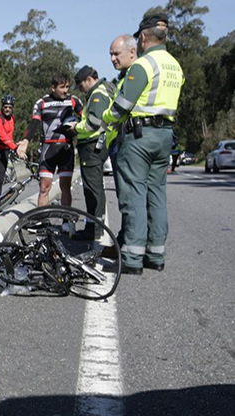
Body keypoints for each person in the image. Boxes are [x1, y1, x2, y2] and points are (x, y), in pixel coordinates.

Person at [103, 13, 183, 274]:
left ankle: (133, 258)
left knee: (135, 195)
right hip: (165, 135)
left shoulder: (144, 65)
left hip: (140, 136)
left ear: (145, 37)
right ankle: (156, 256)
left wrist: (106, 119)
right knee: (157, 194)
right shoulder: (175, 66)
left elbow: (122, 107)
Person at [17, 74, 84, 207]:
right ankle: (42, 221)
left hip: (66, 149)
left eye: (67, 87)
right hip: (48, 150)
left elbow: (86, 119)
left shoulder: (74, 100)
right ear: (53, 88)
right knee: (44, 187)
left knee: (65, 186)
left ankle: (66, 222)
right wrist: (25, 141)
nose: (65, 91)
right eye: (62, 87)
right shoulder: (42, 102)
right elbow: (34, 124)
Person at [102, 34, 139, 259]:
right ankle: (125, 241)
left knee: (129, 196)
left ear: (132, 52)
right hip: (120, 141)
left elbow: (118, 111)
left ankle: (129, 245)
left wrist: (106, 118)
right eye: (111, 55)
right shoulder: (123, 77)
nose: (113, 59)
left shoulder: (136, 74)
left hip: (131, 140)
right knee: (124, 195)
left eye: (117, 54)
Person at [71, 66, 116, 238]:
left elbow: (93, 123)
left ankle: (94, 229)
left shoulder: (98, 95)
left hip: (93, 145)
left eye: (81, 85)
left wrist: (75, 127)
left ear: (89, 80)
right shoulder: (102, 92)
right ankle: (95, 226)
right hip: (97, 143)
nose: (80, 90)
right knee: (93, 187)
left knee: (92, 189)